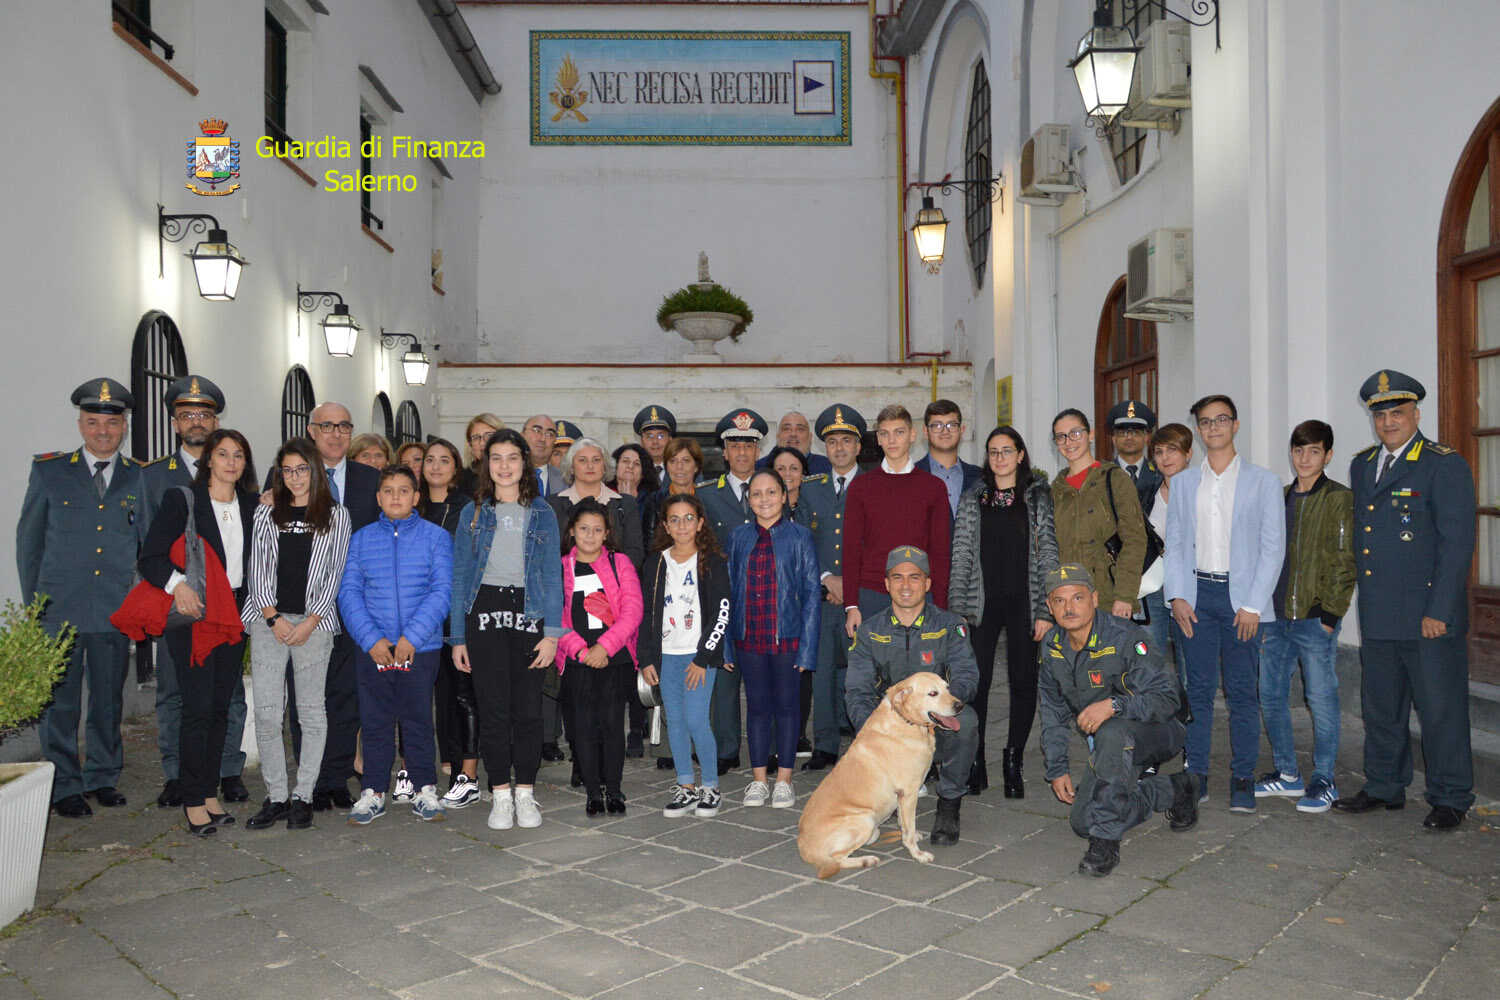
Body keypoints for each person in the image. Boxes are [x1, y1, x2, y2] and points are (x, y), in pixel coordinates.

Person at [1334, 371, 1476, 831]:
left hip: (1427, 616)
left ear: (1416, 414)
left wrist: (1440, 611)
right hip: (1379, 612)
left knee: (1440, 711)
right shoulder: (1363, 465)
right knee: (1381, 707)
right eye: (1380, 415)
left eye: (1397, 413)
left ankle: (1451, 796)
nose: (1388, 422)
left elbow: (1457, 545)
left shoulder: (1442, 464)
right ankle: (1384, 786)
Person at [18, 378, 149, 818]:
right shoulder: (50, 471)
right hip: (60, 608)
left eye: (111, 423)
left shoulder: (139, 476)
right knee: (60, 703)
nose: (102, 431)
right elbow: (29, 544)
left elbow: (147, 544)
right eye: (93, 422)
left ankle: (103, 776)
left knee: (108, 699)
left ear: (124, 427)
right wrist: (36, 608)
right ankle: (64, 784)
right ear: (80, 424)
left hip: (114, 609)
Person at [1164, 394, 1285, 813]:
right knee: (1197, 690)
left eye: (1221, 419)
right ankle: (1196, 774)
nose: (1213, 427)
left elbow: (1273, 548)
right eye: (1205, 421)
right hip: (1196, 596)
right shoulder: (1183, 484)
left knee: (1241, 692)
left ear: (1235, 425)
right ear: (1198, 430)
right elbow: (1175, 543)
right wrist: (1177, 595)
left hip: (1242, 602)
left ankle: (1242, 776)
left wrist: (1254, 605)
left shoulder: (1263, 482)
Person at [1038, 565, 1197, 877]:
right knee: (1082, 822)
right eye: (1059, 600)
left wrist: (1114, 705)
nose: (1069, 608)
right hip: (1113, 742)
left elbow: (1168, 699)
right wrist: (1057, 768)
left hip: (1162, 730)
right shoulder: (1052, 645)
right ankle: (1175, 789)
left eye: (1078, 598)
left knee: (1112, 731)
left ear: (1095, 599)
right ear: (1049, 606)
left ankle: (1105, 842)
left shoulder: (1125, 637)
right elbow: (1052, 711)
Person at [138, 429, 259, 835]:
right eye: (222, 454)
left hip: (234, 615)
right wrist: (178, 586)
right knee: (197, 708)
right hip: (195, 614)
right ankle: (192, 799)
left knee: (221, 707)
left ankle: (209, 793)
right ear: (208, 460)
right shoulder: (183, 500)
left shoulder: (252, 505)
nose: (231, 462)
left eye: (238, 455)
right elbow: (150, 557)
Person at [450, 428, 564, 832]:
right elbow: (460, 577)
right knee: (493, 709)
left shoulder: (543, 512)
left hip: (528, 613)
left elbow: (552, 575)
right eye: (496, 458)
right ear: (486, 464)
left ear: (524, 463)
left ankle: (525, 792)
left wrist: (552, 634)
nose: (504, 466)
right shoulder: (473, 512)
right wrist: (458, 637)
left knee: (528, 711)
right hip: (483, 613)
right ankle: (500, 793)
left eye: (512, 457)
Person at [243, 438, 351, 831]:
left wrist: (310, 621)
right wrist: (273, 617)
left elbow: (335, 572)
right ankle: (276, 796)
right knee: (267, 713)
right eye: (287, 471)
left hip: (314, 625)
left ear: (315, 471)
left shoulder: (337, 515)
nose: (295, 477)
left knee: (311, 713)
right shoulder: (266, 512)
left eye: (302, 469)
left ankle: (303, 795)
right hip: (267, 621)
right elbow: (256, 567)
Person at [339, 466, 453, 825]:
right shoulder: (361, 539)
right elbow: (349, 592)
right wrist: (371, 639)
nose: (395, 497)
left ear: (416, 497)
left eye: (404, 490)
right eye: (388, 490)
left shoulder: (435, 538)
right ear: (378, 498)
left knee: (418, 719)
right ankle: (373, 791)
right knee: (375, 721)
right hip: (374, 648)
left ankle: (424, 789)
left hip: (420, 648)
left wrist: (411, 638)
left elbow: (441, 591)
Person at [949, 426, 1059, 798]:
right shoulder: (973, 497)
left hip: (1025, 603)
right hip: (981, 604)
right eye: (993, 451)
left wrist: (1046, 609)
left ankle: (1013, 761)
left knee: (1023, 681)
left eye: (1006, 451)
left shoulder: (1037, 496)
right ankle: (975, 761)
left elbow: (1048, 554)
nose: (999, 458)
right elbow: (961, 555)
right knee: (974, 683)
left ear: (1020, 455)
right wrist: (958, 609)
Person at [1253, 419, 1355, 814]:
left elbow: (1345, 560)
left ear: (1328, 455)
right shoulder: (1278, 497)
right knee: (1271, 695)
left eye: (1314, 451)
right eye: (1299, 451)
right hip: (1275, 618)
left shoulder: (1338, 498)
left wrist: (1330, 613)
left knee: (1321, 698)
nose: (1305, 458)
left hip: (1314, 618)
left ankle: (1324, 779)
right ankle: (1287, 773)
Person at [846, 546, 979, 846]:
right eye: (898, 577)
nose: (905, 585)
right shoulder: (869, 631)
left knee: (967, 723)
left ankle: (949, 804)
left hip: (935, 720)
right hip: (891, 728)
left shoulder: (950, 626)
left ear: (927, 583)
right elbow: (856, 691)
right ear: (886, 584)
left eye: (914, 577)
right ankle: (889, 793)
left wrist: (936, 711)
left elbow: (967, 677)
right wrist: (875, 728)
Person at [293, 402, 381, 811]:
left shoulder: (370, 480)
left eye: (344, 426)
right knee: (308, 695)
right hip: (304, 604)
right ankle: (308, 779)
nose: (336, 433)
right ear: (312, 431)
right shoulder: (292, 475)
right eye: (327, 426)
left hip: (354, 605)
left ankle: (336, 777)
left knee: (347, 695)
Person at [725, 470, 821, 809]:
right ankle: (758, 779)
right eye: (756, 494)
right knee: (757, 707)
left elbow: (812, 594)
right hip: (749, 635)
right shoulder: (738, 537)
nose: (763, 499)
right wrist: (726, 643)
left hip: (788, 637)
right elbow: (728, 592)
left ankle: (783, 779)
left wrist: (807, 649)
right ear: (748, 500)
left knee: (787, 706)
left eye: (770, 492)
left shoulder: (800, 536)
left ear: (783, 496)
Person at [639, 494, 731, 818]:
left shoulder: (712, 561)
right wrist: (646, 658)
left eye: (689, 518)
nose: (682, 525)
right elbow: (645, 615)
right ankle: (686, 786)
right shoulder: (655, 563)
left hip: (697, 657)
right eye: (674, 519)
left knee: (696, 720)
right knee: (675, 722)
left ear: (700, 523)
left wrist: (704, 658)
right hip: (666, 656)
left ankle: (711, 786)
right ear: (665, 525)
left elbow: (721, 613)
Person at [556, 499, 643, 815]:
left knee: (611, 724)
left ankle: (614, 790)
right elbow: (555, 615)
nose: (590, 536)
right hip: (576, 659)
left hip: (614, 657)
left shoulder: (620, 563)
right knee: (583, 727)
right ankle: (593, 792)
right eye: (583, 529)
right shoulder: (560, 567)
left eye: (597, 530)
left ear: (607, 533)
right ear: (572, 531)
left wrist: (604, 647)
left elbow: (633, 610)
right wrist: (580, 650)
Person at [795, 403, 867, 771]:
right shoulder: (810, 490)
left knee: (862, 674)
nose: (840, 448)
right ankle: (824, 746)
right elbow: (802, 541)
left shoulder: (873, 486)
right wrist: (827, 577)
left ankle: (864, 742)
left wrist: (850, 584)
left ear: (858, 446)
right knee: (822, 672)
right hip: (822, 598)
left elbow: (877, 543)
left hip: (863, 598)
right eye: (833, 442)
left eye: (847, 441)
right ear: (825, 447)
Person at [842, 404, 951, 638]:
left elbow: (941, 552)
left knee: (920, 663)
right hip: (871, 594)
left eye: (899, 432)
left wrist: (940, 607)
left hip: (920, 595)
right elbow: (851, 549)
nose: (892, 440)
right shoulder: (861, 487)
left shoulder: (933, 487)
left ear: (912, 435)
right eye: (885, 433)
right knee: (871, 663)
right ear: (878, 439)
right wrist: (851, 605)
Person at [700, 408, 768, 770]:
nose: (742, 452)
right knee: (724, 680)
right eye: (735, 445)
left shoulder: (771, 490)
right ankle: (726, 749)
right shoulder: (707, 495)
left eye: (749, 445)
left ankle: (766, 748)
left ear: (758, 450)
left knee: (763, 679)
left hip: (765, 599)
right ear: (725, 452)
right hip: (723, 598)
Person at [421, 439, 481, 808]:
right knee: (430, 695)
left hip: (456, 611)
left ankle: (466, 772)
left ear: (455, 468)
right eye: (430, 460)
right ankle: (434, 764)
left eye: (445, 460)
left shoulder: (468, 508)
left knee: (461, 693)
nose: (436, 466)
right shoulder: (413, 504)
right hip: (417, 613)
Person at [1050, 408, 1145, 621]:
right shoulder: (1055, 490)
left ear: (1090, 435)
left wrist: (1124, 596)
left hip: (1108, 597)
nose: (1068, 442)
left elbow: (1135, 540)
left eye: (1075, 433)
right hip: (1069, 598)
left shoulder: (1114, 479)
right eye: (1061, 437)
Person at [1143, 423, 1194, 685]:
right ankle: (1155, 708)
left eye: (1172, 450)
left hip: (1190, 588)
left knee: (1190, 661)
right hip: (1153, 587)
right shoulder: (1147, 492)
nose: (1165, 457)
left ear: (1188, 453)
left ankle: (1189, 710)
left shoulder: (1202, 492)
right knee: (1150, 660)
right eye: (1159, 451)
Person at [914, 399, 981, 521]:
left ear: (962, 430)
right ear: (925, 431)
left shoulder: (980, 477)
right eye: (937, 425)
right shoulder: (910, 477)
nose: (945, 431)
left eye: (952, 425)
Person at [1108, 399, 1163, 517]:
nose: (1129, 438)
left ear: (1146, 437)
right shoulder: (1102, 476)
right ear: (1114, 439)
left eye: (1136, 432)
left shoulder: (1160, 474)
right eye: (1122, 433)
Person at [610, 441, 661, 549]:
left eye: (637, 464)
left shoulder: (653, 500)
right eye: (625, 461)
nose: (630, 466)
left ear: (643, 473)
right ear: (615, 466)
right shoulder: (603, 495)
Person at [755, 411, 833, 475]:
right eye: (787, 429)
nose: (793, 434)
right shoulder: (759, 468)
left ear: (810, 437)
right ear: (778, 436)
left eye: (800, 429)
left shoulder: (827, 467)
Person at [460, 413, 505, 494]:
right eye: (476, 438)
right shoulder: (462, 479)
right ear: (470, 444)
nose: (482, 443)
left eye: (489, 436)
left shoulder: (515, 472)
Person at [522, 414, 566, 496]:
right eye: (537, 430)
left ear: (554, 442)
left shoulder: (566, 481)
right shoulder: (506, 474)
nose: (542, 439)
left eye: (549, 434)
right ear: (522, 435)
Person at [634, 404, 677, 483]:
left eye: (660, 436)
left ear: (670, 440)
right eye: (649, 436)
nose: (655, 441)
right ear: (642, 442)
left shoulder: (683, 469)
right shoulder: (633, 472)